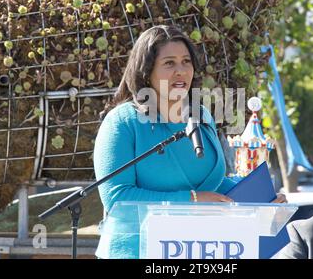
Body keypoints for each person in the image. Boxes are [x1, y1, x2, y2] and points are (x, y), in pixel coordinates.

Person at [93, 25, 285, 259]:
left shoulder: (201, 115)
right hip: (137, 252)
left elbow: (209, 186)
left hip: (199, 249)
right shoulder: (122, 122)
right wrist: (190, 201)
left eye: (186, 62)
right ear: (146, 71)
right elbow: (117, 198)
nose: (181, 71)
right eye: (169, 63)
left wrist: (260, 199)